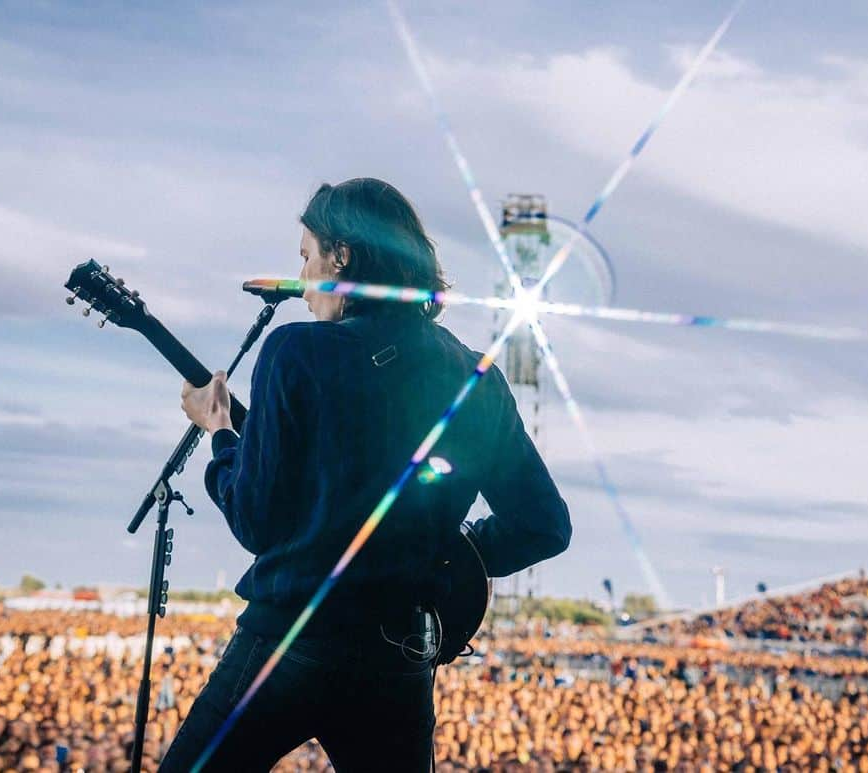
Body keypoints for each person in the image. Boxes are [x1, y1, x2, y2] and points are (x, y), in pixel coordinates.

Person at [164, 178, 572, 772]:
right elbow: (544, 525)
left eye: (306, 256)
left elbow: (256, 520)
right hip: (397, 658)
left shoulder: (296, 352)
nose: (302, 280)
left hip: (289, 640)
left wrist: (221, 435)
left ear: (342, 255)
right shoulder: (475, 377)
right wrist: (447, 556)